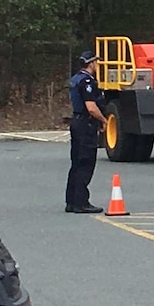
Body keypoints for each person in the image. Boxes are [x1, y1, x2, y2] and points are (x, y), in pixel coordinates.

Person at [65, 50, 108, 213]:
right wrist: (103, 120)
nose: (98, 65)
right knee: (86, 163)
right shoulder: (88, 82)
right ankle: (81, 202)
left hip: (76, 122)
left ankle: (71, 200)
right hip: (86, 125)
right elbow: (91, 107)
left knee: (75, 163)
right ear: (91, 64)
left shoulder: (75, 79)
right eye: (96, 62)